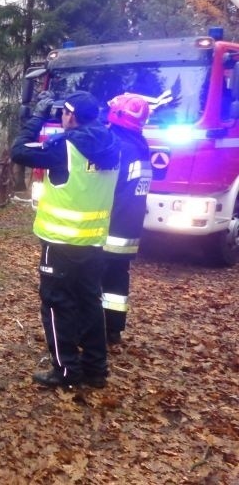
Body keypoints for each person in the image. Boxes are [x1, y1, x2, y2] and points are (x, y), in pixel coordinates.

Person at [11, 91, 120, 389]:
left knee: (57, 304)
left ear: (71, 115)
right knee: (89, 303)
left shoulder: (65, 147)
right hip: (94, 242)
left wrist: (37, 118)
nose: (61, 117)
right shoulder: (113, 145)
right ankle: (96, 369)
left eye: (63, 113)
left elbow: (18, 150)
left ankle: (66, 370)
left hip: (59, 242)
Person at [102, 94, 152, 344]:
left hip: (111, 225)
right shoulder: (140, 145)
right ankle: (113, 328)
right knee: (118, 279)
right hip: (130, 227)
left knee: (97, 277)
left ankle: (93, 328)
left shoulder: (117, 146)